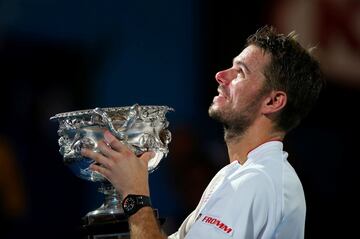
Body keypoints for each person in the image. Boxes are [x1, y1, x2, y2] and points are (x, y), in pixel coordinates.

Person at [81, 25, 324, 239]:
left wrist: (135, 195)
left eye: (240, 72)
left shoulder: (258, 180)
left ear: (273, 101)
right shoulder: (232, 176)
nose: (220, 75)